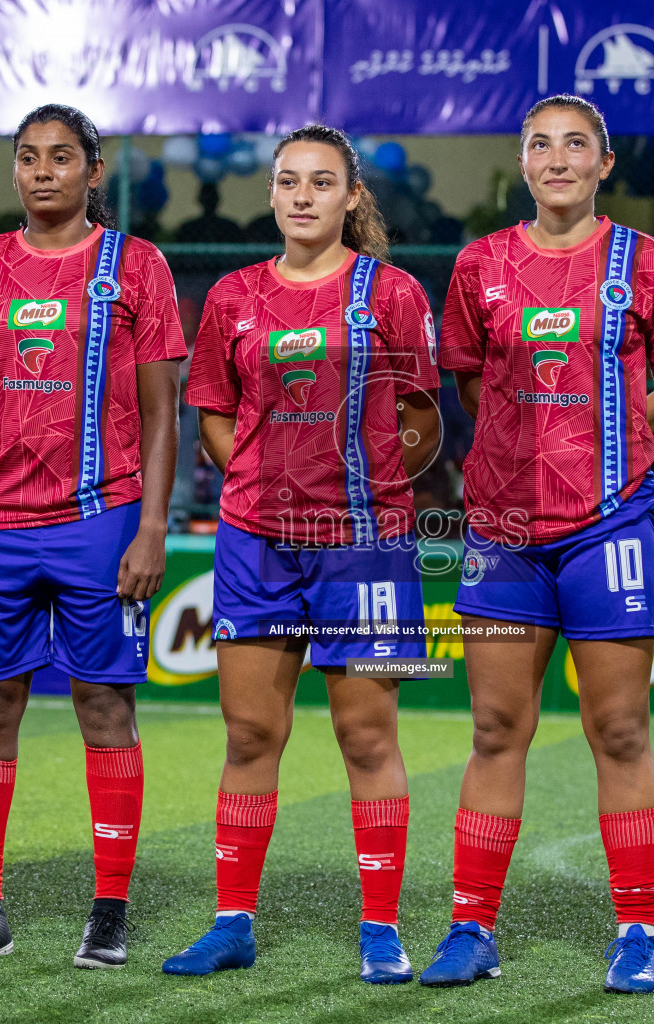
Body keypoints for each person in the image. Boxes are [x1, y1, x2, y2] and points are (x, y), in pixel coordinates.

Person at [421, 95, 654, 995]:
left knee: (618, 729)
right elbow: (470, 387)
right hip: (501, 533)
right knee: (497, 728)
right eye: (540, 144)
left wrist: (599, 441)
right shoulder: (480, 265)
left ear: (603, 164)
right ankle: (471, 928)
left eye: (575, 145)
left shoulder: (645, 261)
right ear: (522, 161)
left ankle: (636, 933)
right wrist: (529, 456)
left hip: (607, 526)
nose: (557, 159)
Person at [163, 124, 440, 985]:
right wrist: (253, 475)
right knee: (250, 732)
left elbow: (424, 418)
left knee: (366, 736)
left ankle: (382, 928)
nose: (304, 196)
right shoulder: (235, 296)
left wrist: (370, 485)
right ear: (273, 193)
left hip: (364, 544)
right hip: (257, 540)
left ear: (352, 196)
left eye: (323, 182)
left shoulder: (390, 293)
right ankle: (233, 921)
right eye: (289, 182)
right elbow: (211, 409)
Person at [0, 104, 185, 968]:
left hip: (99, 519)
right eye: (28, 158)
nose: (42, 172)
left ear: (93, 173)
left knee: (105, 705)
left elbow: (160, 413)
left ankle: (109, 910)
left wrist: (151, 526)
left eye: (61, 157)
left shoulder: (135, 266)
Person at [176, 183, 246, 244]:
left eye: (211, 198)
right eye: (206, 198)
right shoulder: (188, 229)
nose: (209, 200)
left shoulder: (231, 228)